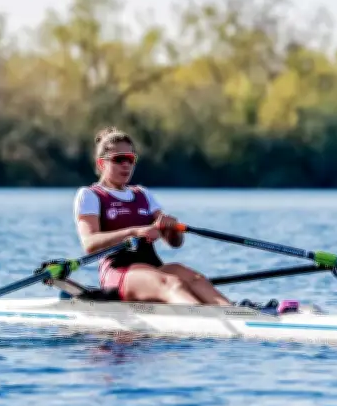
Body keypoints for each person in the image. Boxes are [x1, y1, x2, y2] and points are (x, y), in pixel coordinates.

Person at [72, 126, 234, 306]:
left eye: (130, 159)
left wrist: (171, 228)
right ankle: (197, 316)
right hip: (119, 272)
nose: (126, 164)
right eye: (119, 159)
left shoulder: (143, 194)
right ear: (102, 163)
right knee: (172, 284)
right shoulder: (90, 195)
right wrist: (135, 232)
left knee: (195, 279)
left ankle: (232, 312)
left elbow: (175, 243)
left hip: (153, 267)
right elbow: (90, 244)